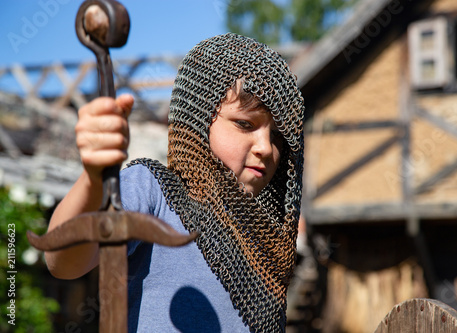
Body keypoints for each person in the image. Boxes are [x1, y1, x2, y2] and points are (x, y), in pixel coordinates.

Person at [45, 33, 304, 332]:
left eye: (276, 137)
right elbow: (63, 260)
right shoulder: (153, 192)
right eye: (245, 124)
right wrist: (94, 179)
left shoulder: (266, 244)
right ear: (197, 119)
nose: (265, 148)